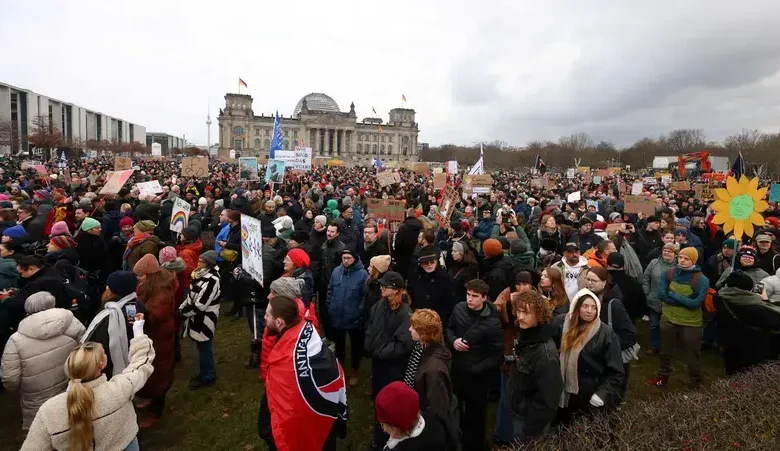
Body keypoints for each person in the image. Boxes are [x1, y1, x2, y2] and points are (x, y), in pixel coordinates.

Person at [19, 314, 154, 451]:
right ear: (102, 364)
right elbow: (141, 363)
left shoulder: (49, 411)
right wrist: (138, 332)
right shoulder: (121, 388)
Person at [262, 295, 347, 451]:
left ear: (279, 322)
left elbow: (291, 409)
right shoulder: (304, 327)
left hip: (304, 429)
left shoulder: (286, 363)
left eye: (267, 314)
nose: (264, 317)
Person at [1, 292, 85, 431]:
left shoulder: (16, 340)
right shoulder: (73, 324)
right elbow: (84, 351)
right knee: (73, 428)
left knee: (42, 434)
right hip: (70, 389)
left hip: (35, 400)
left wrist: (22, 392)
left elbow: (10, 378)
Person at [445, 279, 503, 451]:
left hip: (478, 377)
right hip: (457, 369)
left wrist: (476, 368)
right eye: (468, 294)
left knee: (476, 414)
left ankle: (475, 445)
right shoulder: (459, 309)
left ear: (484, 298)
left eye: (475, 296)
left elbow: (496, 355)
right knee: (454, 408)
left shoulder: (493, 323)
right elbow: (449, 329)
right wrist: (453, 341)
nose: (470, 299)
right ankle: (456, 440)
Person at [555, 288, 624, 424]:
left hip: (587, 394)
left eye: (593, 307)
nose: (589, 311)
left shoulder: (605, 333)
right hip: (560, 389)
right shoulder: (561, 324)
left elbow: (616, 371)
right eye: (585, 306)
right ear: (576, 307)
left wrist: (601, 394)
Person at [364, 271, 414, 450]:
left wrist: (381, 352)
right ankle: (379, 439)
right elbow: (370, 326)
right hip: (378, 362)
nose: (382, 288)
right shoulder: (380, 305)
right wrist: (369, 343)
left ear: (398, 290)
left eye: (387, 286)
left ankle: (390, 441)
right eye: (382, 285)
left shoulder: (405, 313)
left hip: (392, 367)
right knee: (379, 401)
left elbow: (403, 344)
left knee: (391, 405)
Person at [647, 246, 709, 388]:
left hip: (691, 323)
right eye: (680, 257)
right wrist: (684, 300)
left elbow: (695, 303)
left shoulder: (701, 279)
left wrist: (673, 294)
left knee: (693, 354)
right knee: (665, 351)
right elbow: (662, 295)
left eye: (686, 258)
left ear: (693, 260)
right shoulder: (669, 273)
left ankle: (696, 381)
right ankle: (662, 377)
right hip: (668, 319)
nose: (681, 260)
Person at [508, 290, 562, 444]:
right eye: (518, 311)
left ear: (539, 314)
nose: (520, 317)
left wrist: (530, 432)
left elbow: (548, 400)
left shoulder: (545, 354)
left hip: (529, 422)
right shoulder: (526, 333)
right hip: (519, 409)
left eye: (526, 312)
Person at [132, 254, 176, 427]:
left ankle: (157, 411)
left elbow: (155, 317)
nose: (138, 278)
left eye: (140, 275)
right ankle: (152, 399)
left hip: (159, 338)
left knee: (159, 374)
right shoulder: (151, 286)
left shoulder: (162, 294)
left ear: (149, 276)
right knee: (152, 372)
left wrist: (139, 313)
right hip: (155, 337)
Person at [405, 309, 457, 447]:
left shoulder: (434, 370)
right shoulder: (424, 348)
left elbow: (437, 408)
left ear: (424, 333)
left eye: (414, 327)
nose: (409, 329)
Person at [582, 266, 638, 394]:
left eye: (594, 281)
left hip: (609, 356)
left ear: (604, 282)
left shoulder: (613, 304)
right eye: (588, 279)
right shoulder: (584, 297)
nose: (589, 283)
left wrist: (607, 344)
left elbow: (629, 335)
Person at [714, 270, 780, 375]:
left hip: (729, 342)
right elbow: (774, 322)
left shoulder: (720, 297)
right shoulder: (755, 308)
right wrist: (765, 301)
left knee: (732, 372)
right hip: (753, 346)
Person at [81, 271, 144, 379]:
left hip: (109, 367)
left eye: (108, 286)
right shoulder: (136, 305)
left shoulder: (111, 316)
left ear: (115, 291)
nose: (106, 288)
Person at [180, 250, 222, 389]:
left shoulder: (213, 280)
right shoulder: (198, 274)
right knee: (200, 346)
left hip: (205, 319)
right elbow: (191, 295)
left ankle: (208, 376)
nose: (199, 263)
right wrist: (183, 306)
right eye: (199, 261)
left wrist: (183, 313)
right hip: (196, 316)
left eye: (202, 262)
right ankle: (205, 372)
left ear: (209, 264)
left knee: (205, 347)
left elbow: (201, 304)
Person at [326, 249, 368, 387]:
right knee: (339, 346)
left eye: (349, 258)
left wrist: (359, 312)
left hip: (354, 318)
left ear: (355, 259)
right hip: (337, 316)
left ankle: (355, 370)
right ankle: (340, 369)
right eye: (344, 258)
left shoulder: (362, 275)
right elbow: (330, 290)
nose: (346, 261)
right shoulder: (336, 271)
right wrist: (330, 305)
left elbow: (364, 296)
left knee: (356, 346)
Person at [374, 381, 448, 450]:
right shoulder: (433, 421)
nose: (384, 429)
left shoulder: (403, 447)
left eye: (383, 424)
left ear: (396, 428)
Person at [643, 243, 677, 354]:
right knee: (654, 325)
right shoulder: (654, 263)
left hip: (671, 303)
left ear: (675, 254)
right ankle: (654, 345)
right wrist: (647, 293)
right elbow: (646, 278)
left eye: (670, 251)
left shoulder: (678, 268)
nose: (666, 253)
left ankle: (667, 347)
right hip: (654, 300)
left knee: (668, 327)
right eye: (665, 250)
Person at [407, 249, 456, 327]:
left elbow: (449, 304)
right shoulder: (415, 276)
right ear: (421, 264)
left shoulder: (445, 278)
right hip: (419, 318)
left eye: (432, 262)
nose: (430, 265)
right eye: (426, 263)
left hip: (438, 321)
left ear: (437, 262)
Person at [318, 223, 346, 339]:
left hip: (334, 285)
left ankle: (334, 338)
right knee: (323, 311)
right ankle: (328, 335)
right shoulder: (324, 245)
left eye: (332, 231)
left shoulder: (341, 248)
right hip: (323, 284)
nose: (329, 233)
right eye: (328, 231)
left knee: (333, 312)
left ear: (337, 233)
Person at [606, 252, 647, 322]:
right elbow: (642, 304)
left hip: (605, 321)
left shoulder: (602, 280)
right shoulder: (634, 283)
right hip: (629, 321)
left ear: (607, 264)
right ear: (624, 265)